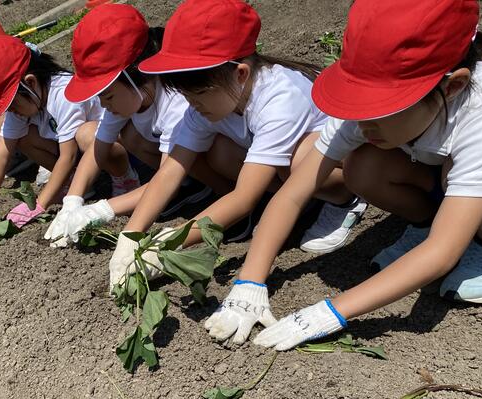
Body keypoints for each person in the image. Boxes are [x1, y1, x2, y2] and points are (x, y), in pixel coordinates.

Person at [206, 0, 482, 350]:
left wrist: (329, 312)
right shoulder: (372, 106)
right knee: (363, 166)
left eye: (381, 107)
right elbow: (294, 193)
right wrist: (250, 281)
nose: (363, 121)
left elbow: (442, 251)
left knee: (475, 188)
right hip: (442, 174)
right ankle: (426, 223)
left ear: (452, 86)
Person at [107, 0, 358, 291]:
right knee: (218, 152)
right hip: (280, 168)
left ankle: (343, 199)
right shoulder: (210, 101)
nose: (191, 104)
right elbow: (170, 170)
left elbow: (244, 196)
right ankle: (293, 206)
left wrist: (169, 242)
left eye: (198, 94)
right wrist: (131, 235)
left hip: (342, 163)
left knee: (299, 160)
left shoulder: (280, 98)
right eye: (186, 96)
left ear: (240, 74)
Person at [44, 3, 221, 247]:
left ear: (134, 75)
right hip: (175, 169)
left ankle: (212, 193)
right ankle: (187, 189)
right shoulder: (130, 95)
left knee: (208, 157)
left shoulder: (176, 104)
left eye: (107, 96)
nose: (103, 104)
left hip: (211, 165)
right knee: (127, 133)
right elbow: (98, 148)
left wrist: (101, 210)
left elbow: (166, 176)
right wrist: (72, 201)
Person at [0, 33, 103, 228]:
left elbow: (68, 157)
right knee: (19, 136)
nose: (11, 111)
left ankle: (118, 180)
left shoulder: (64, 93)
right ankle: (73, 183)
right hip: (69, 151)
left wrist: (39, 204)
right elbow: (1, 154)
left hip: (103, 150)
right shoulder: (27, 100)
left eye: (11, 104)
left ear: (30, 82)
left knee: (86, 134)